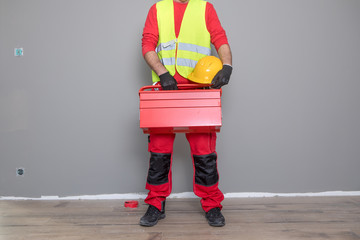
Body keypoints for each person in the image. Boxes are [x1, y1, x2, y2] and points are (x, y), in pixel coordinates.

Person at [140, 0, 233, 227]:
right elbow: (147, 45)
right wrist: (162, 73)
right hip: (165, 88)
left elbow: (219, 39)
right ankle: (155, 203)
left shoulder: (205, 8)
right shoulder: (158, 9)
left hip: (198, 88)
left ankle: (212, 204)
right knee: (159, 151)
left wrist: (227, 65)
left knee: (204, 152)